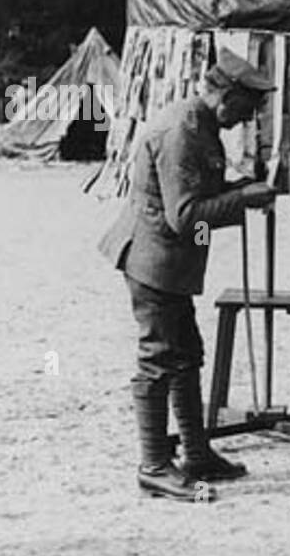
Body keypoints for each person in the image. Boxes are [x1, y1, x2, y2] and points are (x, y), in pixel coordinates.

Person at [98, 49, 278, 502]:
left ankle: (197, 453)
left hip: (171, 265)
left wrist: (239, 189)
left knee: (187, 354)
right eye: (245, 109)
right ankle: (155, 464)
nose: (247, 120)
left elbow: (203, 192)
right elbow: (186, 216)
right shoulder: (181, 130)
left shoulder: (203, 125)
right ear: (225, 97)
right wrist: (245, 200)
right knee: (159, 358)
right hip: (154, 262)